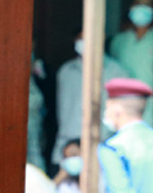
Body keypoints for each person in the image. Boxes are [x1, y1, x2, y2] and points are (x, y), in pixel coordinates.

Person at [53, 28, 129, 165]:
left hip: (104, 142)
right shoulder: (66, 72)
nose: (84, 42)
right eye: (80, 39)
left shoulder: (116, 71)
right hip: (68, 145)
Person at [109, 0, 153, 126]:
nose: (142, 7)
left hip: (149, 105)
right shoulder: (119, 41)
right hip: (121, 102)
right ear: (131, 7)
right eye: (138, 3)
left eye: (147, 4)